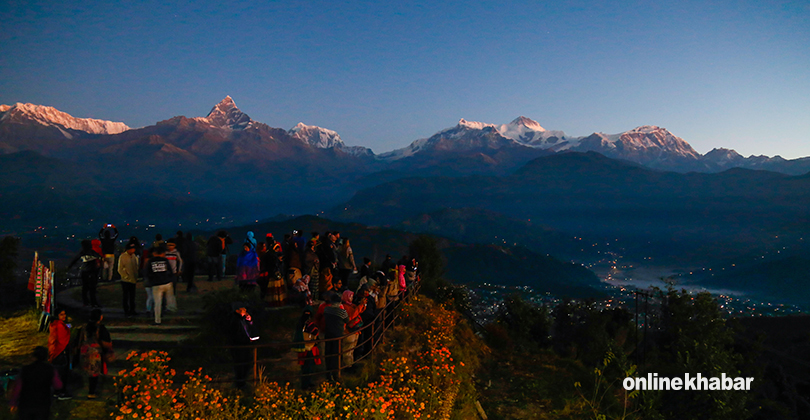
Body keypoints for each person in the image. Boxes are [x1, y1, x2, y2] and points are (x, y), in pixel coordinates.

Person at [9, 346, 63, 419]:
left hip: (26, 403)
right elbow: (58, 385)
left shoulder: (25, 370)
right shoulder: (50, 369)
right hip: (43, 404)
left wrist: (13, 402)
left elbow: (17, 387)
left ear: (34, 356)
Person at [75, 309, 111, 399]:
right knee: (94, 373)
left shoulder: (84, 327)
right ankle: (92, 392)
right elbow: (106, 341)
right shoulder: (100, 328)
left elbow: (79, 340)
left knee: (88, 372)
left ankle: (89, 389)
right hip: (95, 353)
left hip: (85, 352)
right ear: (101, 317)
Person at [146, 246, 177, 325]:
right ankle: (172, 313)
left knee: (157, 303)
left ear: (154, 253)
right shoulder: (165, 260)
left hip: (156, 284)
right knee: (170, 298)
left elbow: (147, 273)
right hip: (167, 283)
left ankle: (157, 320)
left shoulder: (151, 261)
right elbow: (170, 271)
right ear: (162, 253)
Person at [291, 307, 320, 390]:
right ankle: (306, 384)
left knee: (305, 367)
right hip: (309, 348)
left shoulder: (300, 323)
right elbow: (315, 334)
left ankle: (306, 383)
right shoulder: (309, 324)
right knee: (308, 367)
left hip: (302, 349)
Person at [323, 294, 350, 382]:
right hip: (338, 335)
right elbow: (347, 320)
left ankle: (328, 373)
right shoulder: (342, 312)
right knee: (337, 354)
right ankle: (336, 375)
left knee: (328, 354)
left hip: (327, 334)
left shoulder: (326, 310)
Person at [228, 303, 256, 389]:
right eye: (243, 310)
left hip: (244, 344)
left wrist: (249, 321)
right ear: (238, 311)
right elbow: (237, 334)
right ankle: (240, 383)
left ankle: (242, 382)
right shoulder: (235, 320)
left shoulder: (242, 319)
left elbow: (248, 329)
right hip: (239, 346)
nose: (245, 311)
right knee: (240, 365)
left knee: (246, 364)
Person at [67, 239, 102, 308]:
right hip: (93, 272)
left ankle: (86, 302)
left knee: (85, 288)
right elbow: (99, 257)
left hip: (85, 272)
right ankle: (93, 302)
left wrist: (69, 267)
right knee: (92, 288)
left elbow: (74, 260)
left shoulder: (82, 253)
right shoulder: (93, 253)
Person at [48, 309, 72, 400]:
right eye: (61, 314)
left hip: (55, 352)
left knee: (57, 373)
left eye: (64, 314)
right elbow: (63, 340)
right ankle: (61, 392)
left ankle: (57, 392)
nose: (64, 316)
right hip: (61, 352)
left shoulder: (54, 324)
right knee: (62, 374)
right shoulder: (60, 325)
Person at [341, 290, 364, 368]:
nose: (352, 298)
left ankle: (350, 364)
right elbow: (352, 316)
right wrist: (360, 306)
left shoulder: (351, 305)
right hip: (349, 331)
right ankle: (348, 366)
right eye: (350, 296)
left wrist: (362, 305)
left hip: (354, 331)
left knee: (351, 349)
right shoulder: (345, 307)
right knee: (347, 350)